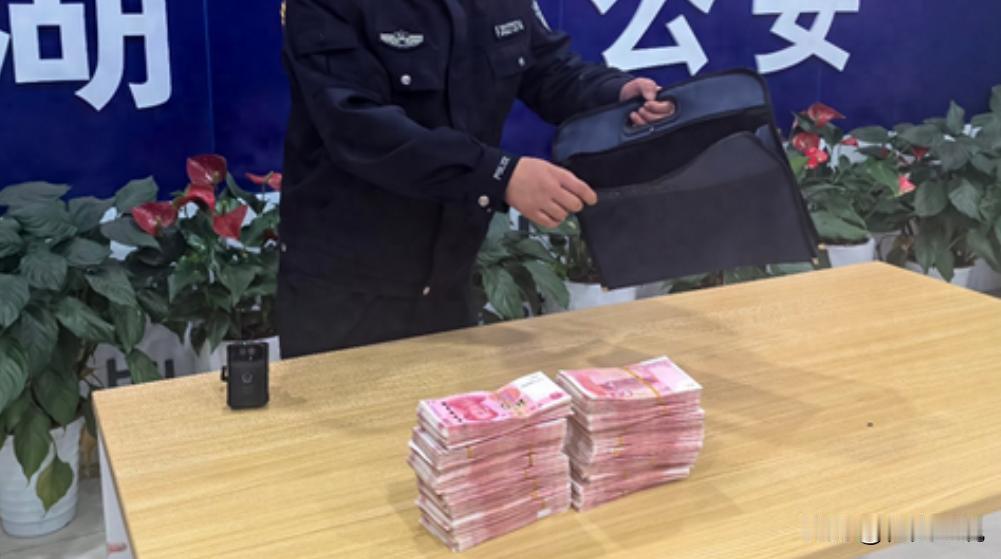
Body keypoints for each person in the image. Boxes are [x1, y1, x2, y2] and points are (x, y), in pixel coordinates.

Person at [278, 0, 675, 358]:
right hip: (345, 289)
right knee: (346, 417)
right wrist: (499, 175)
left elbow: (547, 69)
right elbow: (357, 128)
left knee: (450, 411)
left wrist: (614, 92)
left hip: (449, 278)